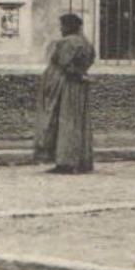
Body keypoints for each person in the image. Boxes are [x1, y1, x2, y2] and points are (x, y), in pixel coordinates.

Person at [34, 12, 95, 173]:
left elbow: (65, 64)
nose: (61, 29)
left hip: (64, 86)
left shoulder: (66, 43)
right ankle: (80, 161)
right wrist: (82, 74)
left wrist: (73, 74)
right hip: (79, 86)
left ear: (69, 27)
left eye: (63, 26)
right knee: (78, 122)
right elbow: (86, 62)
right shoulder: (86, 43)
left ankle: (65, 162)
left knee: (63, 122)